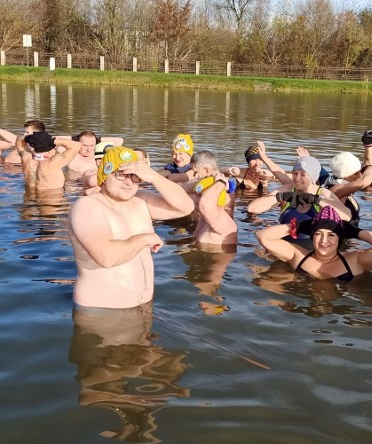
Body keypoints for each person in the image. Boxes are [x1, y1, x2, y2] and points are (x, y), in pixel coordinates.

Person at [67, 145, 196, 310]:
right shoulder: (88, 206)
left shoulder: (142, 200)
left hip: (143, 307)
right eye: (120, 175)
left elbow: (185, 207)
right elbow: (106, 257)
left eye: (135, 176)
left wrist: (155, 177)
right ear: (105, 175)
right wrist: (145, 238)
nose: (128, 182)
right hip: (102, 312)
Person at [255, 205, 372, 282]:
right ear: (312, 237)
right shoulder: (298, 255)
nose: (324, 241)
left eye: (331, 235)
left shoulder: (354, 261)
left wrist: (356, 232)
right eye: (318, 234)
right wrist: (297, 226)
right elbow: (262, 236)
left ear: (340, 239)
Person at [247, 154, 351, 243]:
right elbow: (252, 208)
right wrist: (281, 196)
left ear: (312, 177)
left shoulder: (323, 193)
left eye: (303, 174)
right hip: (283, 247)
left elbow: (346, 216)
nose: (297, 178)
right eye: (295, 173)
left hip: (311, 250)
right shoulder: (287, 189)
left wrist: (316, 200)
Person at [186, 150, 237, 247]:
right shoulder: (205, 183)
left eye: (196, 171)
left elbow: (207, 206)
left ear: (207, 170)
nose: (195, 175)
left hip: (218, 234)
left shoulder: (224, 189)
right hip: (207, 227)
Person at [16, 130, 81, 192]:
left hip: (29, 199)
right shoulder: (54, 162)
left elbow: (19, 140)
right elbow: (77, 145)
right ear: (51, 148)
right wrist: (53, 140)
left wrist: (32, 138)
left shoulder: (26, 158)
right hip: (52, 201)